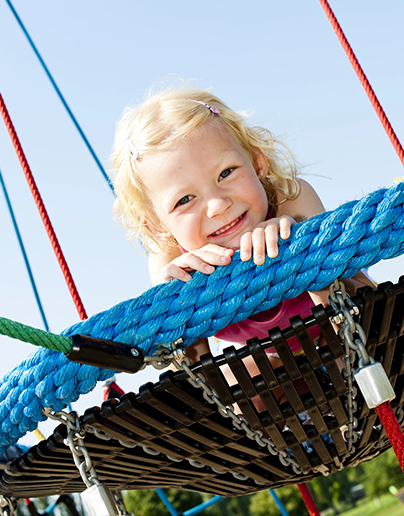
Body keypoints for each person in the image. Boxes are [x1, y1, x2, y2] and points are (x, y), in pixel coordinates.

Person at [112, 85, 371, 370]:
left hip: (336, 333)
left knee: (350, 356)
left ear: (257, 162)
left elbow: (361, 304)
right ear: (156, 226)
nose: (217, 205)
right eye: (184, 200)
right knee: (238, 375)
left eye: (226, 173)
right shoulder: (171, 259)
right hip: (266, 360)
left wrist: (301, 249)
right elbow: (189, 372)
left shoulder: (290, 199)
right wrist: (176, 314)